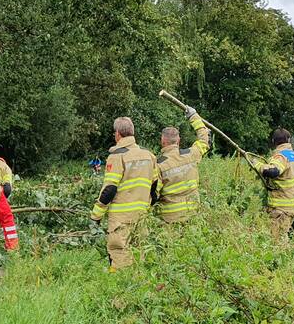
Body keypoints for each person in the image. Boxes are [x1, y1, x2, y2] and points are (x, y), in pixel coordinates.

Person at [90, 116, 158, 270]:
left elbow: (110, 190)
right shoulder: (149, 155)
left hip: (121, 218)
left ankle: (119, 287)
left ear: (118, 134)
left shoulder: (117, 156)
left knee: (119, 253)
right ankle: (138, 285)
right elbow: (154, 187)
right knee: (139, 252)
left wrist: (96, 215)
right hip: (141, 215)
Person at [155, 105, 211, 223]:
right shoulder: (191, 154)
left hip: (169, 220)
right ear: (178, 140)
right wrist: (194, 116)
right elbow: (204, 140)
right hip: (193, 215)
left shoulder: (158, 165)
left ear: (162, 141)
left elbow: (154, 195)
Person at [251, 128, 294, 241]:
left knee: (278, 241)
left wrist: (257, 164)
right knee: (286, 236)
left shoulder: (280, 156)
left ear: (273, 141)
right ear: (289, 140)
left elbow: (273, 171)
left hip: (282, 209)